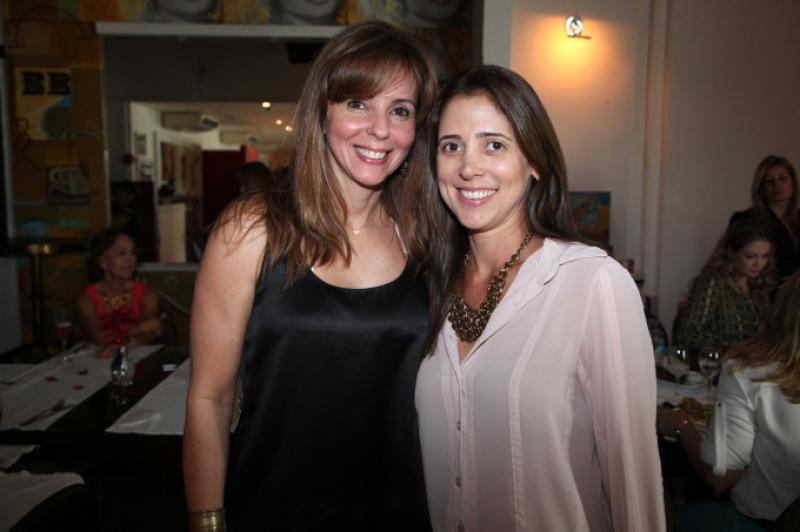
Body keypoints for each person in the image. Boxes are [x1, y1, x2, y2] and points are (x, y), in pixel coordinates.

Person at [183, 22, 437, 532]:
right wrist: (207, 522)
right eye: (358, 103)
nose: (380, 129)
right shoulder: (253, 227)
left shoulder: (425, 237)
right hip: (271, 509)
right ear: (322, 111)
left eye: (400, 110)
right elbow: (210, 400)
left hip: (401, 512)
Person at [412, 65, 665, 531]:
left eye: (494, 145)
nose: (468, 167)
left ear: (535, 162)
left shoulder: (592, 283)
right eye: (451, 146)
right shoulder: (428, 287)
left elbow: (635, 486)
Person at [658, 271, 800, 530]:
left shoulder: (749, 370)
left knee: (654, 512)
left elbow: (720, 476)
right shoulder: (715, 285)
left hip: (759, 523)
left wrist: (679, 425)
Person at [674, 219, 776, 355]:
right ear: (731, 253)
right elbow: (688, 333)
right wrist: (733, 349)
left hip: (752, 362)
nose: (759, 264)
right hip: (718, 362)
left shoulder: (760, 285)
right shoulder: (713, 283)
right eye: (750, 256)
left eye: (765, 257)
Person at [76, 229, 163, 357]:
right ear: (103, 262)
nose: (130, 259)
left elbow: (153, 331)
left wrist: (128, 344)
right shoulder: (86, 297)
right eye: (122, 253)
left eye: (133, 253)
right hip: (98, 358)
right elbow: (100, 337)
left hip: (136, 355)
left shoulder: (147, 293)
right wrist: (138, 328)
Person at [730, 155, 799, 279]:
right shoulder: (746, 220)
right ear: (761, 188)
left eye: (783, 178)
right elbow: (735, 268)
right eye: (768, 181)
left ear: (793, 182)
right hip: (764, 288)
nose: (777, 185)